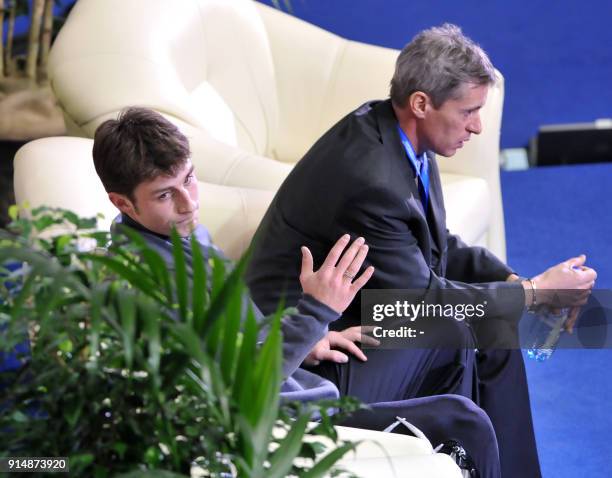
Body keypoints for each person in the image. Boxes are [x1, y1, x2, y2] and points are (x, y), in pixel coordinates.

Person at [244, 24, 597, 478]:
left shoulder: (401, 136)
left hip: (359, 314)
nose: (478, 126)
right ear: (421, 104)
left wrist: (513, 282)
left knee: (491, 325)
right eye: (468, 111)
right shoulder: (371, 179)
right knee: (457, 331)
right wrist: (534, 293)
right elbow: (424, 301)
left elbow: (436, 243)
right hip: (307, 355)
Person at [92, 106, 505, 477]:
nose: (188, 203)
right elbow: (237, 394)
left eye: (190, 179)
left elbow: (241, 335)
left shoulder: (180, 237)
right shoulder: (147, 285)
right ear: (123, 203)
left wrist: (314, 337)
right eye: (166, 195)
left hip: (299, 378)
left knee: (448, 334)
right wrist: (314, 314)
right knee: (464, 420)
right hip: (286, 420)